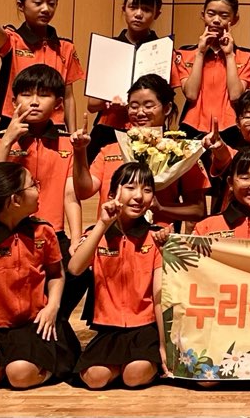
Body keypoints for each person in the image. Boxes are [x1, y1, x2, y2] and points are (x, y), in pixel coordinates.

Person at [0, 162, 79, 388]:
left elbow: (56, 275)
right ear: (15, 200)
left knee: (20, 374)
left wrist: (52, 307)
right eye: (33, 185)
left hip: (35, 326)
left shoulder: (44, 232)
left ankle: (44, 365)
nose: (38, 189)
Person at [0, 64, 86, 314]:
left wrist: (76, 239)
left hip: (52, 233)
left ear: (58, 103)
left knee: (82, 268)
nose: (34, 102)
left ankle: (55, 318)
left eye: (44, 95)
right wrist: (8, 139)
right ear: (14, 100)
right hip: (7, 232)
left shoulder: (67, 143)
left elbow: (71, 195)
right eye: (26, 94)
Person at [68, 162, 165, 389]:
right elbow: (75, 268)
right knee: (95, 378)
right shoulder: (95, 234)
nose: (139, 196)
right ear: (112, 194)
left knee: (134, 375)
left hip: (145, 327)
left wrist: (163, 345)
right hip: (108, 328)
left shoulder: (156, 237)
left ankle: (140, 364)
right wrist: (103, 224)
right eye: (130, 187)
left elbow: (159, 297)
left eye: (147, 190)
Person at [71, 73, 209, 229]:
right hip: (111, 238)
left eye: (148, 106)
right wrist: (79, 151)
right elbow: (84, 191)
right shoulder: (110, 149)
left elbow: (198, 210)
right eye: (134, 106)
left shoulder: (182, 152)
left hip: (159, 239)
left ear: (167, 108)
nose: (140, 112)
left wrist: (161, 208)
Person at [0, 0, 85, 130]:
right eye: (38, 3)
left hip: (53, 124)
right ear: (21, 5)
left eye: (51, 4)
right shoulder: (13, 39)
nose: (46, 9)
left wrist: (72, 135)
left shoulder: (66, 47)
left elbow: (68, 96)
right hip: (16, 121)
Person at [86, 0, 166, 157]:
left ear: (157, 13)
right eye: (133, 7)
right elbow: (92, 105)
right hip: (109, 127)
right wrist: (110, 102)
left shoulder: (164, 49)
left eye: (146, 9)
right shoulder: (108, 48)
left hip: (149, 132)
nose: (138, 14)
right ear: (124, 8)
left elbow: (166, 101)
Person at [173, 0, 250, 135]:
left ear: (235, 19)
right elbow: (191, 94)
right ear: (203, 15)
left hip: (231, 127)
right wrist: (200, 53)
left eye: (224, 16)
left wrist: (229, 55)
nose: (216, 20)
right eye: (211, 14)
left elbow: (236, 96)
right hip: (192, 126)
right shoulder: (184, 54)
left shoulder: (247, 56)